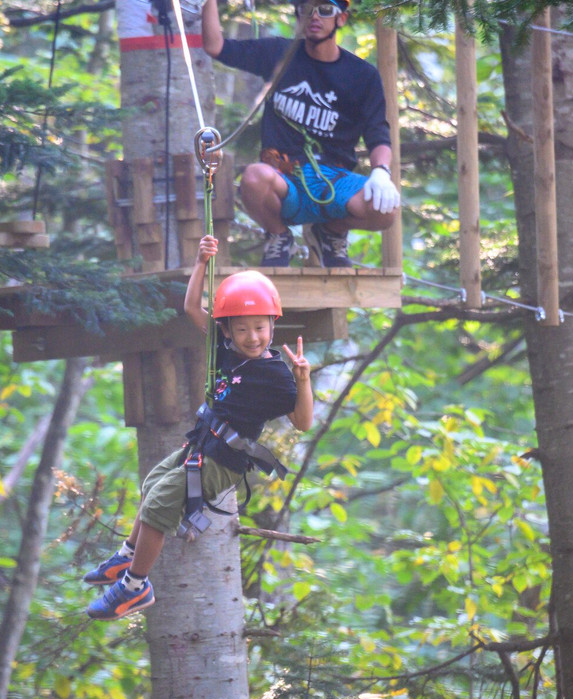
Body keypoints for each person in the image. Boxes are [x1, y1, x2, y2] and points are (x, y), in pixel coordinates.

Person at [84, 234, 313, 620]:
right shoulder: (224, 350)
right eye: (242, 329)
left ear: (272, 325)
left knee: (159, 506)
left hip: (224, 459)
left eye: (259, 327)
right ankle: (126, 558)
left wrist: (303, 378)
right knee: (153, 483)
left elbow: (302, 422)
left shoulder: (274, 374)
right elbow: (192, 307)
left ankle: (135, 587)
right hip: (203, 444)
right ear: (228, 331)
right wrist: (201, 263)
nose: (252, 337)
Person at [201, 0, 400, 268]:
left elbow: (378, 134)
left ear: (341, 19)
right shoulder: (279, 54)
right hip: (285, 179)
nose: (314, 17)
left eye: (324, 10)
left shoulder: (362, 75)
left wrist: (381, 173)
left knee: (385, 211)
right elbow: (216, 46)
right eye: (306, 10)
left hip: (334, 182)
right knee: (253, 177)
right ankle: (279, 235)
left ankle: (331, 232)